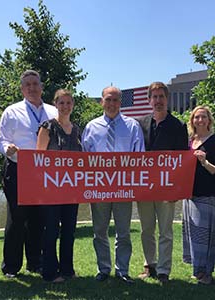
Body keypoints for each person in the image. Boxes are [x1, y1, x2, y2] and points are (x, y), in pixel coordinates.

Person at [0, 70, 58, 278]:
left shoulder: (53, 111)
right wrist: (7, 149)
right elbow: (1, 139)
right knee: (16, 219)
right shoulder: (11, 111)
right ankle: (11, 267)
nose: (32, 88)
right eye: (28, 85)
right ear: (22, 89)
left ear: (41, 87)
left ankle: (35, 263)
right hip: (18, 169)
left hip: (45, 172)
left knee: (38, 219)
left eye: (35, 84)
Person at [82, 86, 145, 284]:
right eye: (108, 99)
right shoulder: (91, 127)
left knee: (123, 232)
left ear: (121, 102)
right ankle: (103, 269)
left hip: (123, 188)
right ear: (102, 101)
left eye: (116, 100)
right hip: (98, 188)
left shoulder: (133, 126)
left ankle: (122, 270)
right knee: (99, 231)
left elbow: (139, 156)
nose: (111, 104)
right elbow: (83, 157)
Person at [136, 82, 188, 284]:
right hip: (144, 187)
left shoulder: (178, 126)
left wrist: (177, 189)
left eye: (161, 97)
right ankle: (150, 265)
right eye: (154, 97)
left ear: (167, 99)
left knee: (165, 231)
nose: (158, 101)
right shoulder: (140, 124)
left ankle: (164, 270)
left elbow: (182, 161)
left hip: (167, 188)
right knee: (146, 229)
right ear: (149, 100)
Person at [36, 89, 81, 283]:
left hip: (72, 190)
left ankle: (67, 269)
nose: (65, 106)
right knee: (51, 230)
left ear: (73, 105)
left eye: (68, 103)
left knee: (69, 230)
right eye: (61, 103)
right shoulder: (47, 127)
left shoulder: (78, 129)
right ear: (55, 105)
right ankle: (50, 272)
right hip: (51, 189)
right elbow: (39, 158)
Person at [182, 106, 215, 285]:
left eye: (203, 117)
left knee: (206, 236)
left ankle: (207, 272)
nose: (199, 120)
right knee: (193, 235)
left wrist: (204, 161)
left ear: (209, 120)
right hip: (190, 195)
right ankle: (197, 270)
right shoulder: (190, 140)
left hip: (207, 195)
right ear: (192, 121)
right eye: (196, 117)